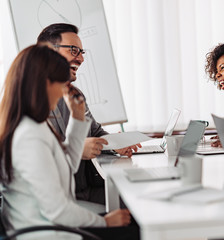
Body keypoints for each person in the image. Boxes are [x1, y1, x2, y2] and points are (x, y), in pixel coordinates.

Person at [0, 44, 139, 239]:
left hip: (51, 225)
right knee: (137, 228)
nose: (61, 94)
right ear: (44, 83)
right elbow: (58, 211)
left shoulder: (33, 125)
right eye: (60, 84)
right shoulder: (30, 136)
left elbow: (67, 166)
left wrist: (77, 118)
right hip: (46, 232)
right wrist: (105, 222)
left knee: (134, 222)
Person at [37, 23, 140, 206]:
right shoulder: (27, 98)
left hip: (86, 190)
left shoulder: (75, 94)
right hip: (58, 200)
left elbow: (95, 131)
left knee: (140, 199)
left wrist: (116, 144)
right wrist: (75, 149)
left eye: (81, 52)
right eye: (74, 50)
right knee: (135, 212)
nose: (81, 59)